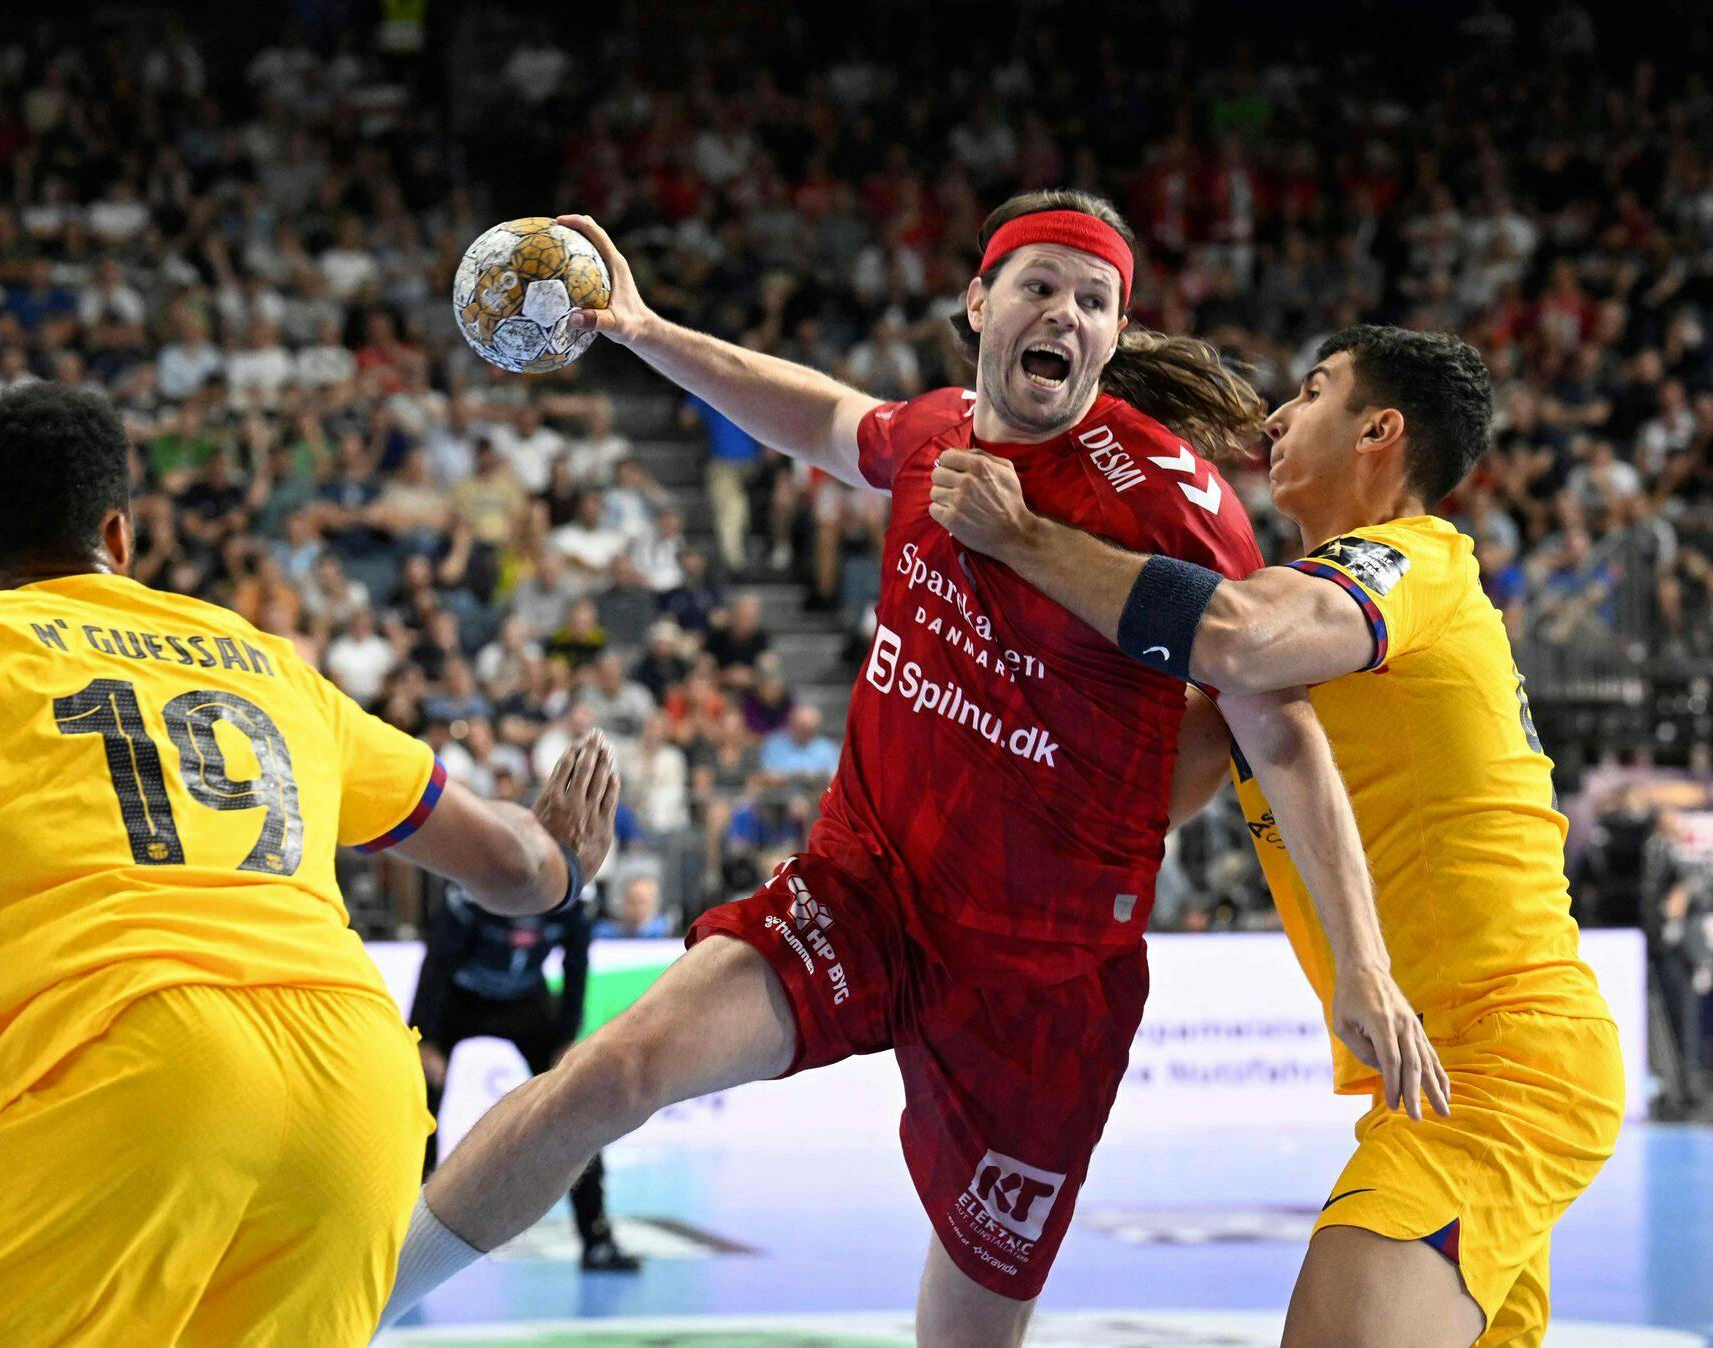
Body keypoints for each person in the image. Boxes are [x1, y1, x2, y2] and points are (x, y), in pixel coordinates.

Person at [381, 193, 1443, 1346]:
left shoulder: (1163, 500)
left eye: (1097, 302)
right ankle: (341, 1308)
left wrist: (1363, 966)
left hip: (1045, 976)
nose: (1068, 316)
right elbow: (828, 417)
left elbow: (1276, 727)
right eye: (1041, 286)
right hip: (868, 887)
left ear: (1114, 335)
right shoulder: (936, 433)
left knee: (966, 1332)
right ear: (980, 302)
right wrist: (640, 326)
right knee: (613, 1071)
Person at [0, 384, 620, 1346]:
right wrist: (564, 854)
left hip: (127, 1056)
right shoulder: (265, 663)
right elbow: (514, 868)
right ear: (121, 532)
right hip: (354, 1084)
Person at [926, 324, 1621, 1347]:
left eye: (1314, 390)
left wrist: (1024, 535)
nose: (1279, 416)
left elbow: (1236, 628)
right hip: (1436, 1076)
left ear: (1379, 431)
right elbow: (1133, 800)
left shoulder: (1413, 562)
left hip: (1502, 1065)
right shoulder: (1285, 673)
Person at [407, 887, 641, 1272]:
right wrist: (425, 1038)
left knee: (578, 1098)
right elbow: (436, 965)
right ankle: (404, 1235)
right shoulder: (467, 897)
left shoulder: (570, 898)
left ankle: (596, 1239)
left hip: (525, 1001)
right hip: (457, 1000)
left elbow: (576, 964)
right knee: (418, 1102)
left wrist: (568, 1038)